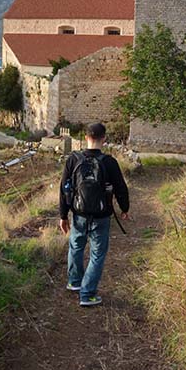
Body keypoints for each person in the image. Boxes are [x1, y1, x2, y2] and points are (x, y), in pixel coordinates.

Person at [58, 122, 130, 307]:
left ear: (85, 138)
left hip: (78, 213)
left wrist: (63, 215)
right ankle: (87, 293)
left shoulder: (73, 159)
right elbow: (121, 188)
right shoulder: (109, 162)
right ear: (104, 139)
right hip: (101, 215)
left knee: (76, 247)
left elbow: (64, 189)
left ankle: (74, 283)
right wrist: (124, 208)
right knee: (97, 254)